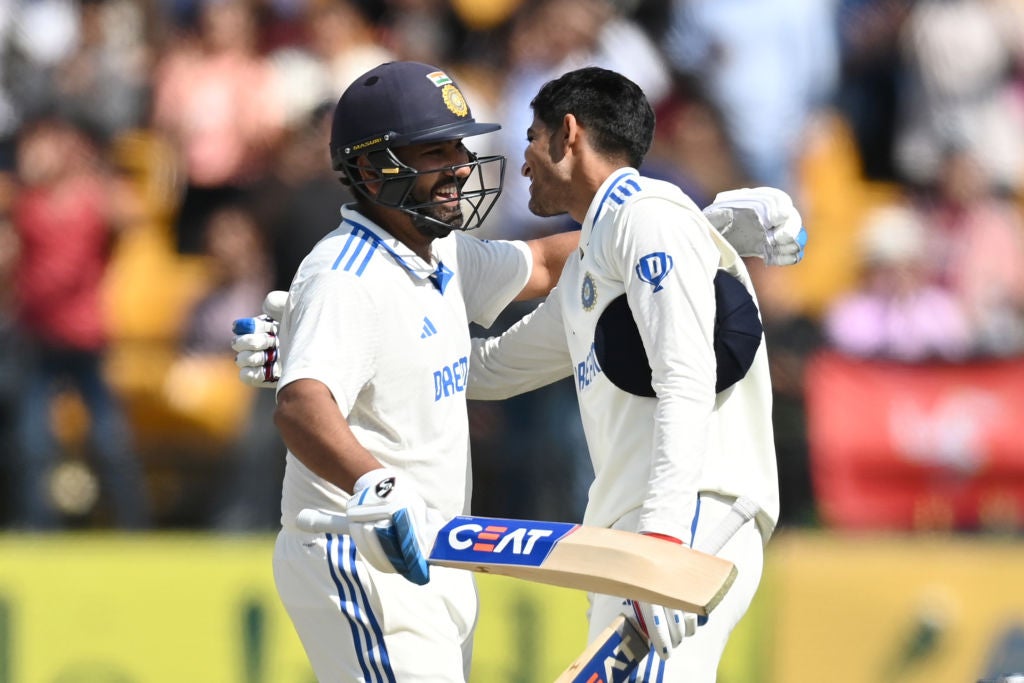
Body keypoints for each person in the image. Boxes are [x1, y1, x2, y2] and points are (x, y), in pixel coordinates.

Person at [232, 61, 805, 682]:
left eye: (459, 147)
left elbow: (544, 267)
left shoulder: (445, 258)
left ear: (568, 135)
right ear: (373, 167)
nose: (460, 165)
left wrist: (697, 228)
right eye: (436, 150)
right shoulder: (344, 274)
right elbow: (302, 406)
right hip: (363, 548)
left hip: (456, 550)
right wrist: (319, 382)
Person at [463, 67, 782, 681]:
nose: (522, 160)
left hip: (688, 517)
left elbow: (685, 379)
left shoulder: (649, 218)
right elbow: (493, 368)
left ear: (569, 134)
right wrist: (338, 354)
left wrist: (661, 544)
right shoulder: (595, 253)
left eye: (531, 137)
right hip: (628, 533)